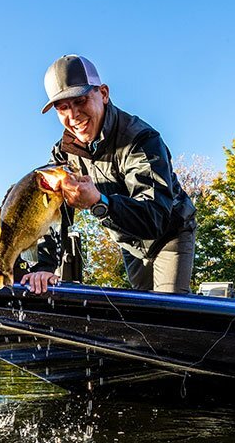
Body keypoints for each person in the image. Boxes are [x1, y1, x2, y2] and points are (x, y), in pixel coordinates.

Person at [20, 54, 197, 295]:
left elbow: (154, 218)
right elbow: (54, 212)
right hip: (129, 240)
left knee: (167, 307)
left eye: (80, 100)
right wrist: (45, 266)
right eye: (63, 107)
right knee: (142, 307)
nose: (73, 116)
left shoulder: (141, 140)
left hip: (169, 233)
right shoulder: (63, 154)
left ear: (103, 93)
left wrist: (98, 202)